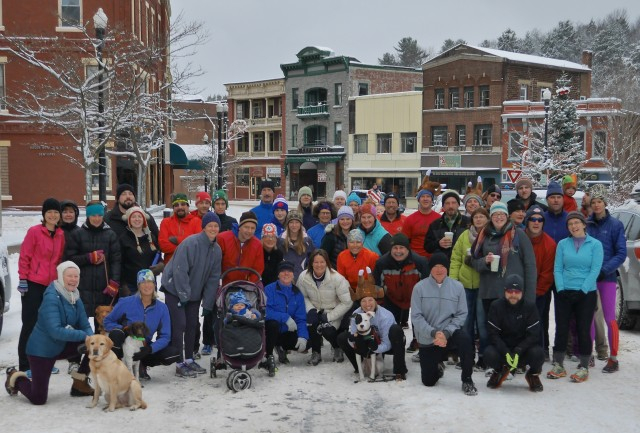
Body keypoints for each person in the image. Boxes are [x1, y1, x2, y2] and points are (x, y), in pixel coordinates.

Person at [5, 262, 94, 404]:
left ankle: (79, 382)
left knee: (95, 345)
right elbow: (55, 331)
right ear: (60, 277)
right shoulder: (51, 297)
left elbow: (84, 324)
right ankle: (15, 377)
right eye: (69, 276)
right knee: (38, 398)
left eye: (76, 276)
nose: (73, 279)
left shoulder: (75, 297)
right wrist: (85, 336)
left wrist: (91, 337)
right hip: (42, 351)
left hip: (61, 345)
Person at [160, 211, 222, 378]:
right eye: (210, 225)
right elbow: (180, 270)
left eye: (216, 226)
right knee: (180, 325)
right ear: (204, 227)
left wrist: (208, 304)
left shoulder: (216, 250)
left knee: (192, 326)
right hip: (175, 290)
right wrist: (184, 295)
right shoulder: (190, 243)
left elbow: (213, 278)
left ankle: (189, 358)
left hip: (193, 293)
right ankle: (179, 362)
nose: (213, 228)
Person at [547, 211, 603, 383]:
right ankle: (558, 364)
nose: (574, 226)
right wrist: (561, 288)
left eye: (577, 223)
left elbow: (595, 269)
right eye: (570, 224)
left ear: (584, 224)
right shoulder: (563, 244)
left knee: (583, 328)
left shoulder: (595, 245)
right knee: (561, 327)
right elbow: (557, 268)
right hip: (564, 291)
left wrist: (583, 289)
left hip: (586, 292)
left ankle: (584, 365)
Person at [411, 252, 477, 395]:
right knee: (428, 382)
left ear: (447, 268)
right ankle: (437, 365)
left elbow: (461, 314)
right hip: (429, 337)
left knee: (465, 339)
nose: (439, 270)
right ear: (430, 268)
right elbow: (416, 317)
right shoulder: (419, 288)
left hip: (450, 335)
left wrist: (446, 333)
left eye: (442, 266)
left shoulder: (457, 287)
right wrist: (434, 333)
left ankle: (467, 379)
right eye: (435, 266)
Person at [104, 269, 180, 381]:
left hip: (144, 348)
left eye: (150, 282)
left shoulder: (162, 308)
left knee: (173, 353)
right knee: (116, 334)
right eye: (143, 282)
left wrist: (150, 349)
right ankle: (118, 367)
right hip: (127, 346)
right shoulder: (125, 302)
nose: (147, 285)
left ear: (154, 284)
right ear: (138, 285)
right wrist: (124, 329)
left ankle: (142, 365)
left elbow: (165, 336)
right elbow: (107, 322)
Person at [17, 198, 65, 373]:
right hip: (33, 284)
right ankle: (25, 365)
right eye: (49, 212)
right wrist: (23, 279)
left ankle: (44, 363)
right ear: (44, 214)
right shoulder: (34, 232)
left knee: (47, 325)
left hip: (50, 286)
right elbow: (25, 256)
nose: (53, 215)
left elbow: (59, 260)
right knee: (30, 324)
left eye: (56, 212)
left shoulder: (60, 235)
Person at [337, 267, 408, 381]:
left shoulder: (385, 316)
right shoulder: (356, 314)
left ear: (376, 300)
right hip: (366, 343)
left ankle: (400, 371)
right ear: (360, 303)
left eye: (370, 300)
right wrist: (355, 342)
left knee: (396, 330)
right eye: (363, 301)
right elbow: (353, 334)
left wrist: (375, 349)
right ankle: (360, 367)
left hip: (385, 344)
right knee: (342, 337)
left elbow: (387, 343)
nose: (367, 304)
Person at [470, 201, 537, 312]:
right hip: (490, 292)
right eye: (495, 214)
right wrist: (485, 261)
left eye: (502, 214)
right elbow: (473, 261)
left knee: (513, 328)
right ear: (491, 217)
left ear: (507, 216)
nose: (499, 217)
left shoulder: (518, 235)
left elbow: (530, 265)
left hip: (513, 293)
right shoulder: (484, 235)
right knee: (492, 328)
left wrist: (529, 298)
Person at [586, 185, 626, 373]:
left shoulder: (615, 225)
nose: (596, 205)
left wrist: (605, 269)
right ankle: (588, 355)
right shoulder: (587, 224)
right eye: (593, 202)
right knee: (589, 316)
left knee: (609, 317)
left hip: (607, 277)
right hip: (589, 278)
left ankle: (613, 358)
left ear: (605, 203)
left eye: (599, 201)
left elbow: (621, 253)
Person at [484, 274, 545, 392]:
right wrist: (506, 352)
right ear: (504, 291)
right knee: (488, 354)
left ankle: (533, 374)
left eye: (517, 292)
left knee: (538, 353)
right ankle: (499, 371)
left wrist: (519, 350)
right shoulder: (496, 306)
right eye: (510, 291)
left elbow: (534, 334)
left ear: (522, 292)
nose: (513, 295)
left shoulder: (530, 307)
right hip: (503, 350)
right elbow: (493, 334)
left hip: (523, 350)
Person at [64, 200, 121, 320]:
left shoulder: (110, 235)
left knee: (101, 325)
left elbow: (116, 260)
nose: (97, 218)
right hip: (82, 288)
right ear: (88, 216)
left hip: (104, 288)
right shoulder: (78, 234)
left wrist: (114, 282)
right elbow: (69, 260)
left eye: (100, 215)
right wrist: (88, 258)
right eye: (93, 215)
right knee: (81, 325)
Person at [374, 233, 429, 353]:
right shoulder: (382, 263)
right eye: (395, 248)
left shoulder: (420, 262)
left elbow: (427, 285)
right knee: (390, 322)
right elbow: (377, 286)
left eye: (401, 248)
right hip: (391, 297)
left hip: (415, 296)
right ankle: (392, 344)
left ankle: (418, 341)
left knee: (420, 317)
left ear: (407, 249)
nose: (398, 251)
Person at [449, 207, 490, 371]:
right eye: (476, 217)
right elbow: (455, 259)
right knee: (465, 323)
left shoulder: (490, 236)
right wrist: (453, 281)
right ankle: (467, 356)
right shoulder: (464, 236)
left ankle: (483, 357)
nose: (479, 220)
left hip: (483, 285)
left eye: (482, 217)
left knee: (482, 323)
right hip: (465, 285)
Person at [297, 250, 352, 365]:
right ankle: (316, 352)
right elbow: (301, 296)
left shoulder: (337, 278)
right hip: (314, 309)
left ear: (326, 263)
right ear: (311, 263)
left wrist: (329, 316)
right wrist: (311, 310)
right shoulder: (303, 277)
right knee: (312, 324)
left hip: (332, 311)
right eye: (316, 262)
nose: (319, 265)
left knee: (327, 330)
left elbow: (347, 302)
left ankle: (337, 347)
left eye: (322, 262)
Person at [263, 261, 309, 376]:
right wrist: (285, 317)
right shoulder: (269, 289)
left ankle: (282, 348)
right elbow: (265, 312)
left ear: (293, 274)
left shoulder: (297, 293)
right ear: (278, 274)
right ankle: (268, 355)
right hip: (271, 330)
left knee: (307, 342)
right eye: (283, 271)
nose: (286, 274)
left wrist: (303, 336)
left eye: (289, 271)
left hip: (287, 331)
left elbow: (301, 318)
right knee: (273, 324)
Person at [524, 206, 556, 358]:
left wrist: (535, 293)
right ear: (527, 221)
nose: (536, 222)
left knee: (537, 322)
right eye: (532, 219)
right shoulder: (518, 238)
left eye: (540, 220)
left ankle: (539, 353)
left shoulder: (550, 244)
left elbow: (547, 274)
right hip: (518, 292)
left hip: (539, 291)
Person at [118, 206, 161, 296]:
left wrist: (160, 265)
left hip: (149, 284)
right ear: (129, 220)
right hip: (131, 286)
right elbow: (119, 263)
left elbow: (158, 256)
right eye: (133, 217)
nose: (137, 219)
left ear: (144, 220)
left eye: (139, 216)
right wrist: (123, 285)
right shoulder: (123, 239)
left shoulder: (151, 238)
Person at [403, 172, 441, 258]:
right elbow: (405, 243)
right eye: (423, 196)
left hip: (434, 261)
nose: (425, 199)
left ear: (432, 200)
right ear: (418, 200)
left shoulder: (439, 219)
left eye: (428, 196)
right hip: (415, 260)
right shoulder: (410, 219)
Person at [425, 189, 470, 259]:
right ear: (443, 206)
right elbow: (427, 247)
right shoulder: (435, 224)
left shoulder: (467, 222)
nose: (450, 206)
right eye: (447, 203)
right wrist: (438, 243)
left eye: (453, 203)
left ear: (458, 205)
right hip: (441, 264)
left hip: (461, 263)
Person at [158, 193, 201, 263]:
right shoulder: (166, 222)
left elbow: (197, 245)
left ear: (188, 206)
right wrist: (187, 246)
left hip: (191, 266)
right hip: (170, 266)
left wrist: (177, 240)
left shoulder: (196, 222)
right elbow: (163, 246)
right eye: (176, 205)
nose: (180, 207)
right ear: (173, 208)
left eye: (183, 204)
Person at [278, 211, 315, 280]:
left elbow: (312, 259)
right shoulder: (280, 240)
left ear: (301, 224)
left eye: (297, 222)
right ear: (288, 224)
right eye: (291, 222)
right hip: (285, 278)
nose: (294, 225)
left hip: (302, 278)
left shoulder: (307, 241)